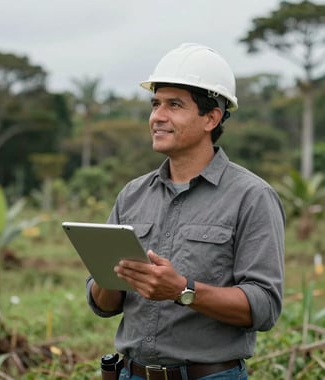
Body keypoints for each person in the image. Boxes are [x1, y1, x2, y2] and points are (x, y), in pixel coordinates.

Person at [86, 43, 285, 380]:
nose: (157, 117)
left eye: (174, 105)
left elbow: (264, 306)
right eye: (155, 104)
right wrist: (113, 277)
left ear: (211, 117)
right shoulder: (132, 194)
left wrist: (182, 290)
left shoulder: (252, 196)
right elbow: (103, 305)